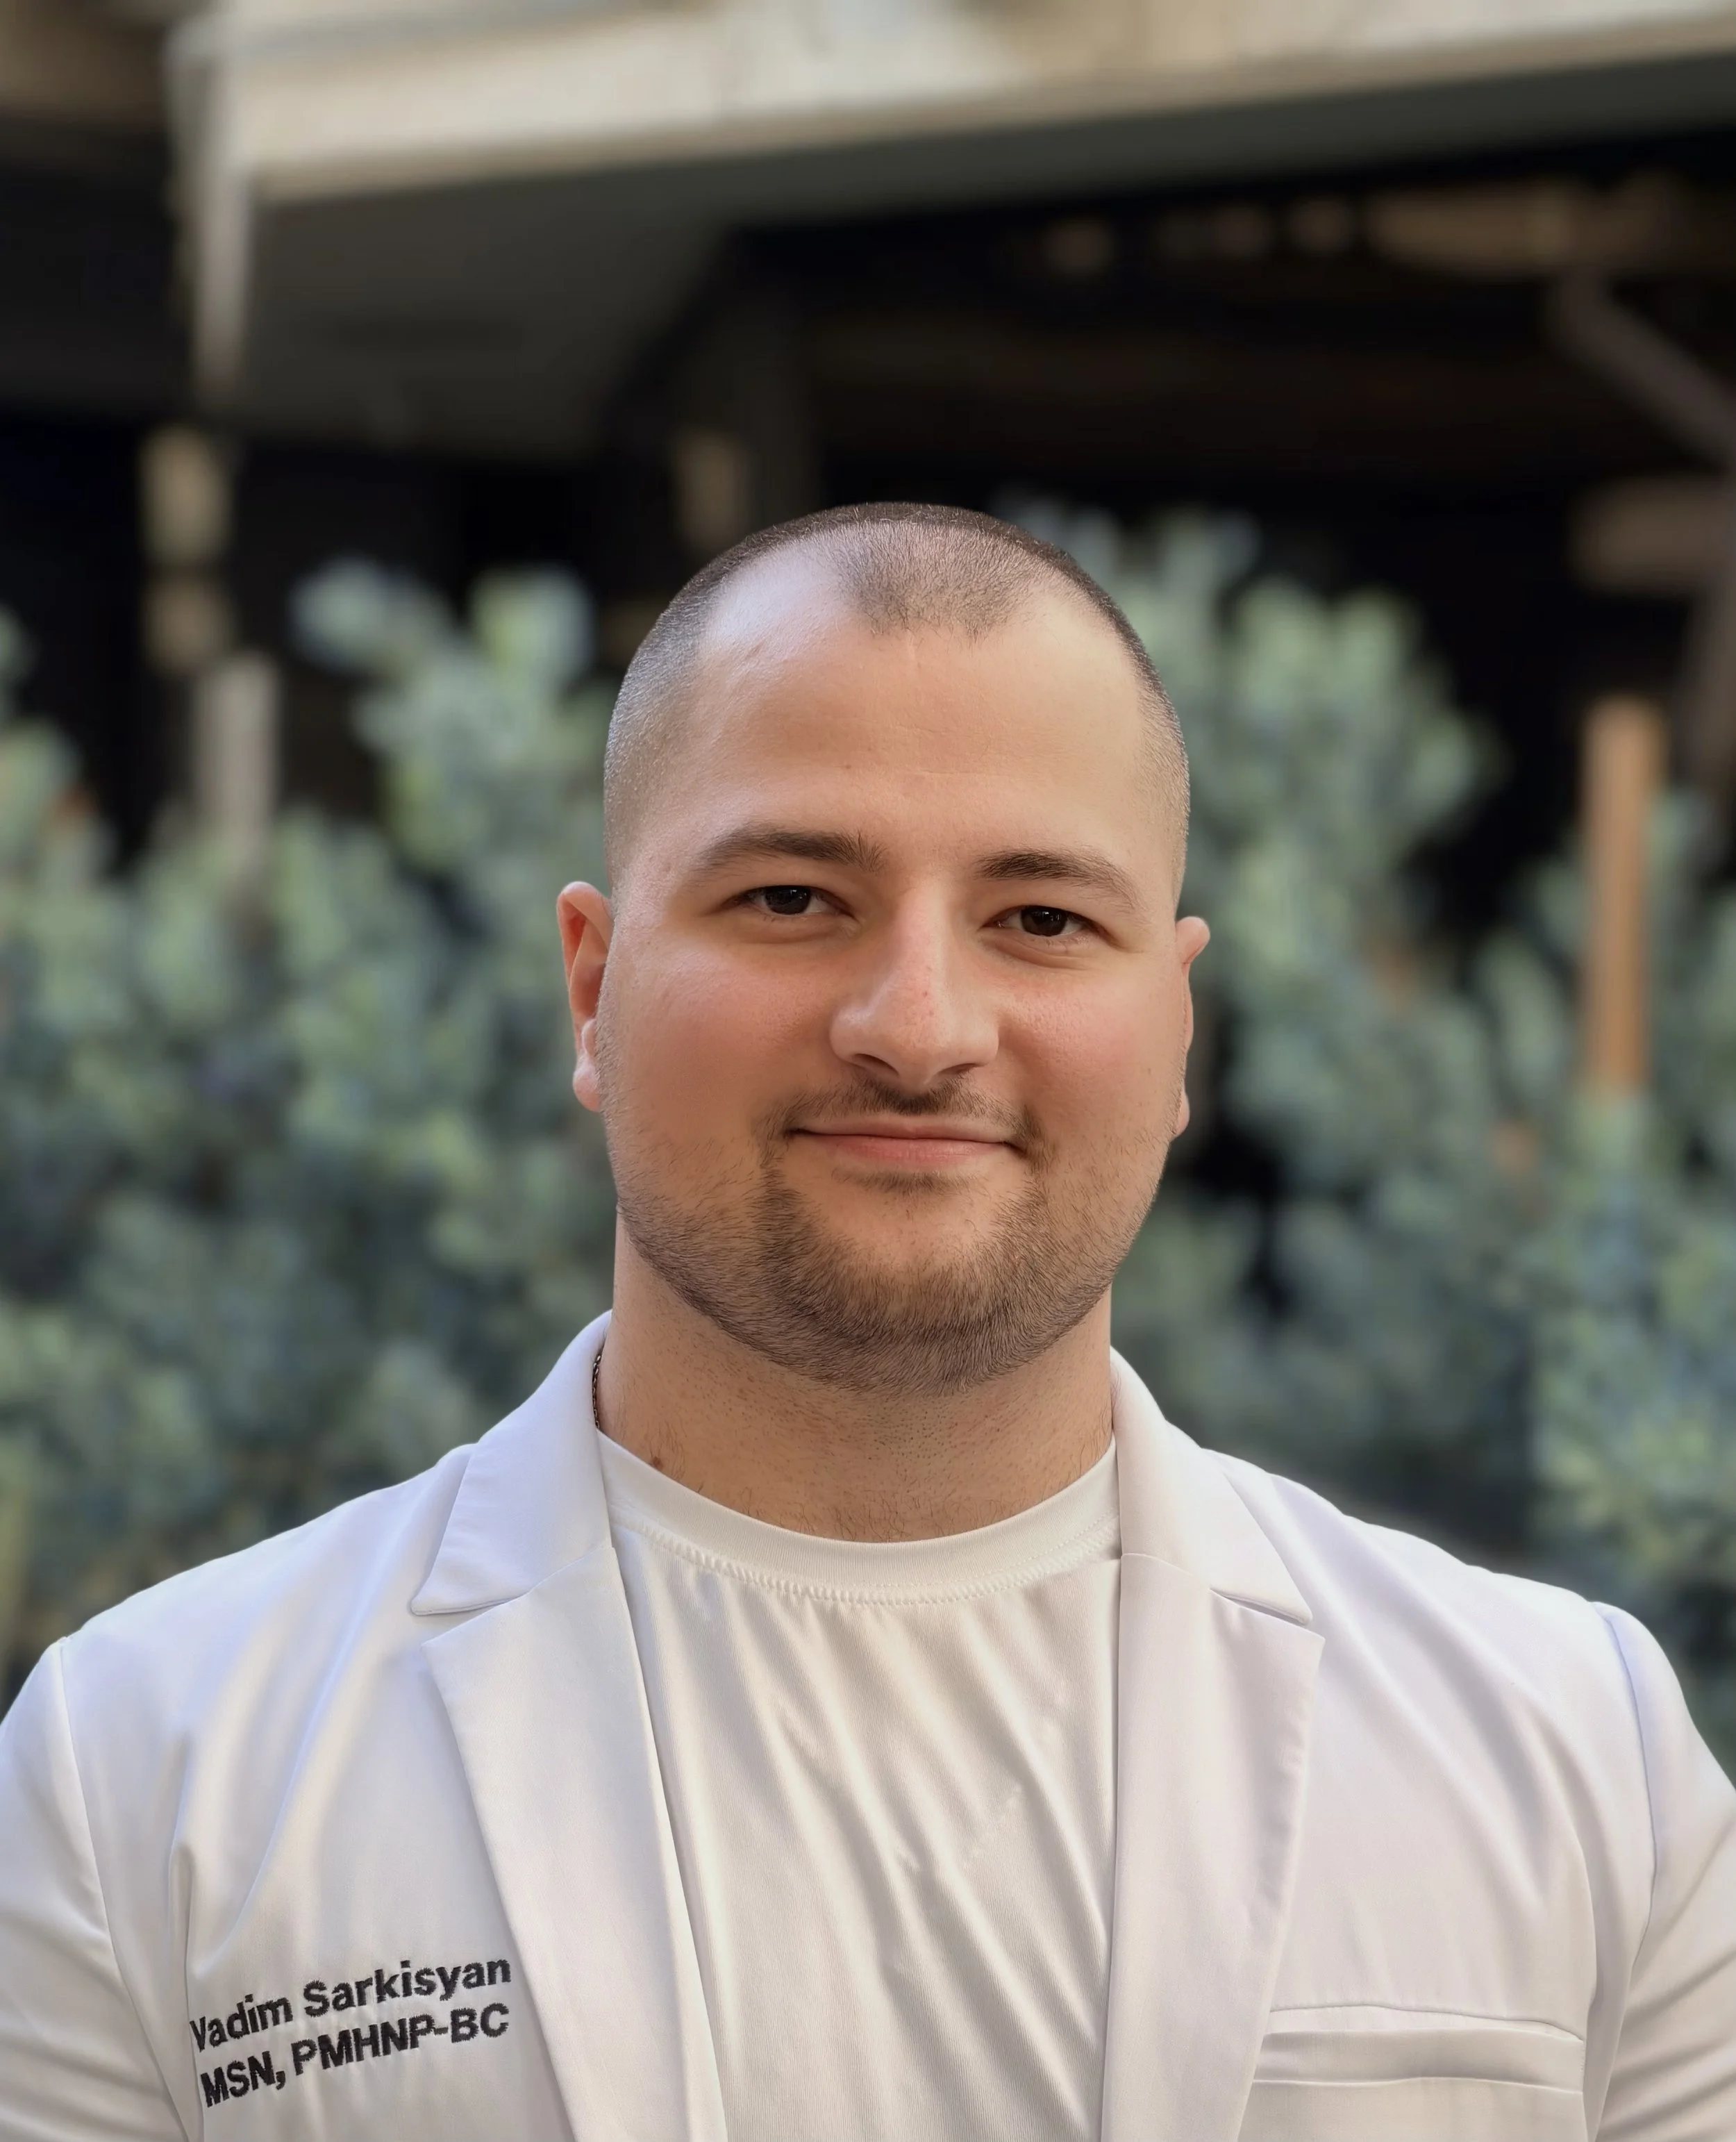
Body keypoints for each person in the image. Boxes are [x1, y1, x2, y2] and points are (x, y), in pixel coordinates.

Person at [0, 503, 1731, 2142]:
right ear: (593, 988)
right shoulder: (147, 1772)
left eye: (1039, 918)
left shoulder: (1571, 1758)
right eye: (789, 899)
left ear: (1175, 1024)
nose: (916, 1024)